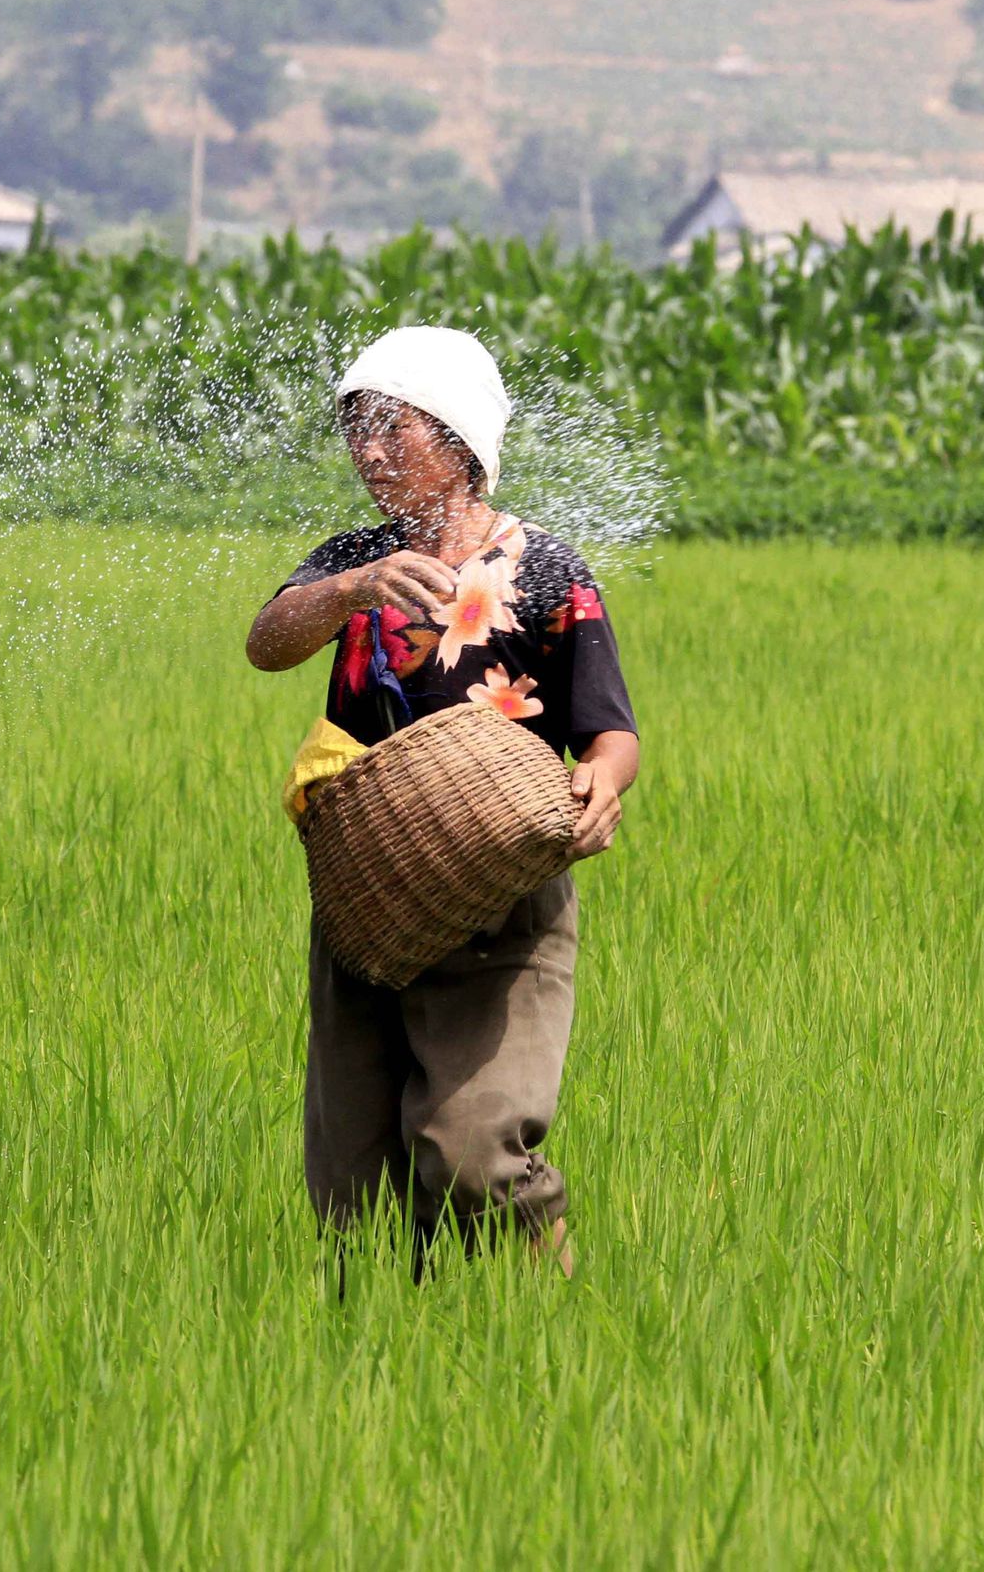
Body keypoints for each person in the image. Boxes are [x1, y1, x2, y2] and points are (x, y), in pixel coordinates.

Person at [245, 324, 640, 1276]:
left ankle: (557, 1310)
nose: (369, 451)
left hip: (501, 902)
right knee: (354, 1194)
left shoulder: (546, 571)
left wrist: (602, 784)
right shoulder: (356, 561)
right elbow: (267, 640)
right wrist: (354, 585)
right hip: (368, 895)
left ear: (459, 442)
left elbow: (610, 730)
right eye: (356, 429)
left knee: (474, 1153)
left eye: (392, 428)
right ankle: (393, 1366)